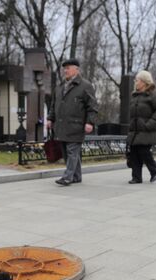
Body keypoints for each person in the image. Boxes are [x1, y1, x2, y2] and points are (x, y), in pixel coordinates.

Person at [47, 58, 98, 186]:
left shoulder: (86, 86)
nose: (65, 70)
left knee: (72, 151)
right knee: (66, 151)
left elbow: (92, 106)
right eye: (64, 68)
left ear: (76, 69)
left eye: (68, 68)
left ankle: (67, 177)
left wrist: (90, 122)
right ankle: (77, 176)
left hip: (76, 126)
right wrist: (50, 118)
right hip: (61, 126)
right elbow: (53, 105)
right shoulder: (59, 87)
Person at [127, 70, 156, 184]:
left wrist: (149, 124)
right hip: (136, 131)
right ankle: (136, 177)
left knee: (144, 151)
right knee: (134, 153)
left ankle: (154, 170)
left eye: (137, 80)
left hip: (148, 130)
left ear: (144, 82)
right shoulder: (134, 95)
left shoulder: (154, 94)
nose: (136, 82)